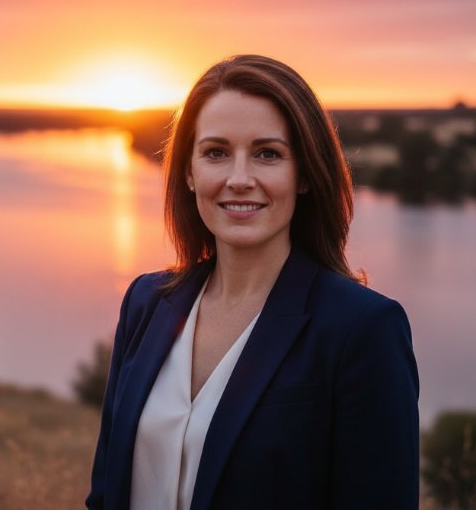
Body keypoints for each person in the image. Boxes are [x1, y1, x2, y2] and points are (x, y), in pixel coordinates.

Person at [86, 54, 419, 510]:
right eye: (216, 153)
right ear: (188, 171)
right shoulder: (145, 302)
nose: (239, 180)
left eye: (267, 154)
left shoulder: (362, 330)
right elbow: (105, 493)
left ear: (303, 174)